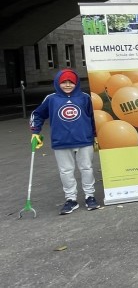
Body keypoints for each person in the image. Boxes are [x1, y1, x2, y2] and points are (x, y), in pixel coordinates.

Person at [29, 68, 100, 214]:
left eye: (71, 82)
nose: (67, 85)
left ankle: (90, 196)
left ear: (76, 83)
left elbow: (94, 117)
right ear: (57, 83)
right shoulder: (51, 99)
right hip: (61, 142)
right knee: (66, 171)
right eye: (64, 82)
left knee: (86, 168)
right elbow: (37, 114)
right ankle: (71, 199)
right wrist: (35, 132)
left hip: (84, 140)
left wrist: (96, 135)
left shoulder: (85, 97)